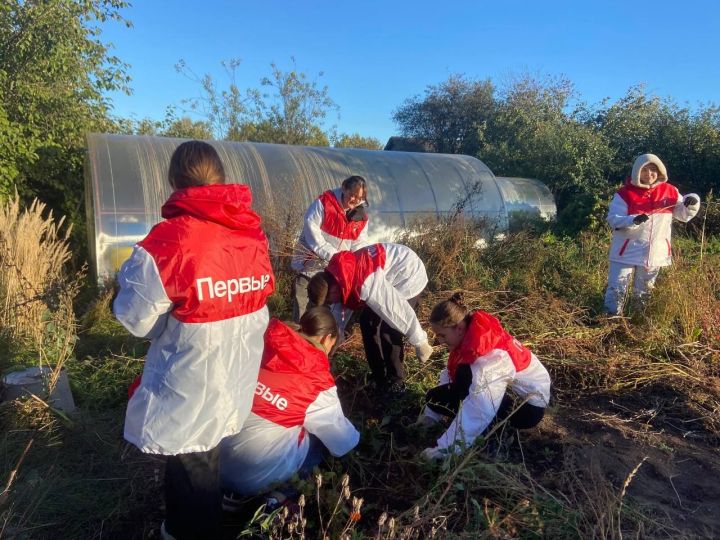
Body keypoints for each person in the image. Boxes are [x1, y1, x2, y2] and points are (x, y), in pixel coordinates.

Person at [113, 141, 275, 539]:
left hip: (190, 378)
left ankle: (192, 530)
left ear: (173, 182)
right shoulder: (252, 236)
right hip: (233, 372)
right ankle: (189, 522)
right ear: (220, 179)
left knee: (193, 465)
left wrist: (159, 326)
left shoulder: (169, 241)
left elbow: (135, 318)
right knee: (204, 451)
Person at [219, 306, 359, 503]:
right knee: (319, 442)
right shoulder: (315, 381)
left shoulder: (261, 345)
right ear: (327, 338)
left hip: (212, 463)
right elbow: (342, 443)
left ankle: (230, 495)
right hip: (254, 476)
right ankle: (278, 497)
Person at [417, 294, 551, 460]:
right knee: (435, 397)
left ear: (458, 328)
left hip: (528, 406)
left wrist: (445, 450)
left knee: (468, 380)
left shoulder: (489, 357)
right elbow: (450, 374)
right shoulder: (470, 338)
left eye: (442, 335)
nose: (440, 341)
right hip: (507, 394)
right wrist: (431, 415)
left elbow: (480, 407)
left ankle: (494, 437)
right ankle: (479, 429)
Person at [307, 242, 434, 390]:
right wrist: (323, 350)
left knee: (388, 329)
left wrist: (420, 342)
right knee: (367, 322)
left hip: (408, 274)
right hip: (388, 273)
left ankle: (396, 381)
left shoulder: (366, 281)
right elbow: (336, 321)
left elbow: (397, 310)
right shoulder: (339, 277)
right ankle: (378, 375)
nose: (331, 303)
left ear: (333, 290)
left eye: (329, 300)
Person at [604, 153, 701, 315]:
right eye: (645, 170)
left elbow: (683, 215)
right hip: (625, 252)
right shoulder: (624, 193)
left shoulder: (670, 191)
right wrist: (633, 220)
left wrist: (692, 201)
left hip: (654, 252)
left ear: (660, 171)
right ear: (637, 172)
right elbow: (614, 219)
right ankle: (609, 322)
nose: (649, 174)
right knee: (616, 289)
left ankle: (637, 321)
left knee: (644, 293)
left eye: (653, 170)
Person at [291, 175, 370, 321]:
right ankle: (300, 336)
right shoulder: (324, 203)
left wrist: (354, 265)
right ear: (343, 188)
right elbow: (313, 233)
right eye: (351, 195)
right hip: (309, 265)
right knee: (301, 305)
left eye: (359, 198)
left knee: (324, 309)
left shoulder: (361, 217)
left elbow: (360, 244)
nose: (354, 200)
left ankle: (318, 338)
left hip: (334, 271)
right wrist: (335, 257)